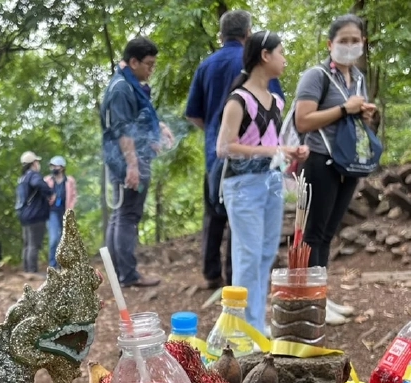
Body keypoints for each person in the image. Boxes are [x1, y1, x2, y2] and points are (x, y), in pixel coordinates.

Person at [186, 10, 286, 291]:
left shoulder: (206, 66)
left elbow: (193, 113)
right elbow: (272, 111)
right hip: (250, 158)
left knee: (215, 212)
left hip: (215, 154)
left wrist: (216, 132)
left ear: (221, 35)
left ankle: (212, 274)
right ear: (248, 34)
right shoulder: (256, 68)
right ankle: (236, 283)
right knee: (242, 221)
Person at [216, 31, 309, 333]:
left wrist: (291, 153)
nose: (284, 59)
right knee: (247, 254)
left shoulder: (277, 101)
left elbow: (275, 144)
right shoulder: (238, 100)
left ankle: (255, 323)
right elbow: (224, 147)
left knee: (267, 253)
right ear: (265, 55)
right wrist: (274, 150)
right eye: (281, 52)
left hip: (271, 182)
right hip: (242, 186)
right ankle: (241, 329)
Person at [292, 14, 376, 326]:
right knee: (312, 233)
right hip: (318, 159)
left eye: (355, 40)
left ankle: (321, 296)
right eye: (344, 40)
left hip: (348, 162)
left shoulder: (359, 79)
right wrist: (344, 109)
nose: (350, 46)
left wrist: (363, 115)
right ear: (330, 44)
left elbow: (351, 118)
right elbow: (303, 120)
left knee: (328, 233)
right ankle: (311, 301)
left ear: (363, 43)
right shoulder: (316, 76)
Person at [101, 36, 173, 288]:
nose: (151, 70)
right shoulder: (121, 88)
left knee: (120, 214)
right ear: (133, 62)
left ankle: (118, 273)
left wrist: (159, 127)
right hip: (126, 160)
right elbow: (123, 130)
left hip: (126, 158)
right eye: (149, 64)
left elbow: (138, 119)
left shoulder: (126, 85)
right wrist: (132, 165)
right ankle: (128, 275)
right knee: (127, 215)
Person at [16, 151, 53, 276]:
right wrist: (50, 192)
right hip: (35, 215)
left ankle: (27, 269)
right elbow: (38, 183)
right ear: (33, 163)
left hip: (25, 215)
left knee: (27, 244)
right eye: (37, 161)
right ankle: (32, 271)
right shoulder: (33, 175)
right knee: (34, 245)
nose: (38, 164)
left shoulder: (22, 178)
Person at [44, 156, 77, 269]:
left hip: (65, 213)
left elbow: (73, 196)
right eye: (52, 166)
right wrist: (48, 199)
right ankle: (53, 266)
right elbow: (43, 195)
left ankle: (64, 266)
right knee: (54, 239)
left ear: (62, 168)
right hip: (52, 212)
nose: (53, 168)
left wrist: (70, 210)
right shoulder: (47, 180)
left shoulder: (70, 181)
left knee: (65, 239)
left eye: (55, 166)